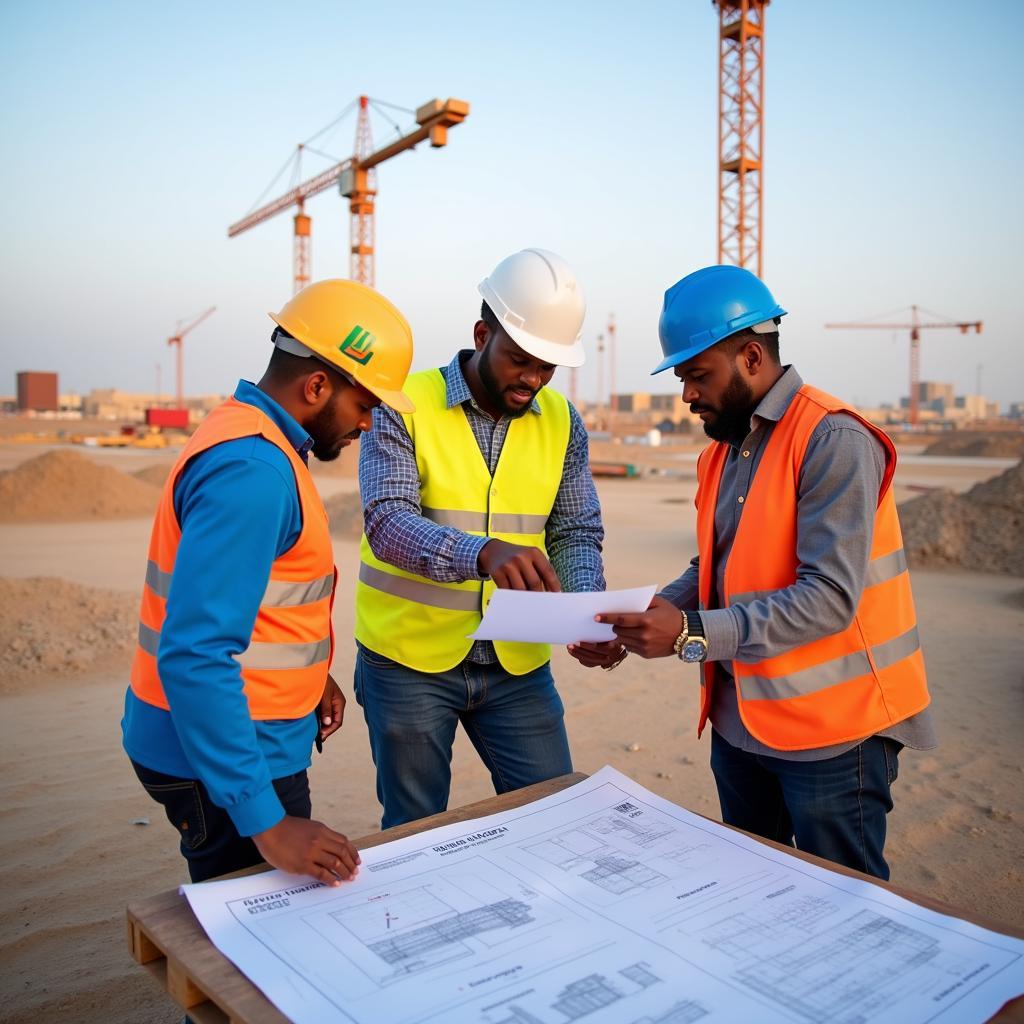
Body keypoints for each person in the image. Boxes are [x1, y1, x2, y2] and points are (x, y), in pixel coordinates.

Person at [598, 264, 936, 880]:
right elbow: (716, 565)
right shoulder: (719, 453)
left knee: (846, 911)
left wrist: (687, 632)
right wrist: (639, 616)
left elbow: (830, 598)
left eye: (697, 376)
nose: (687, 396)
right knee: (754, 897)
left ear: (751, 355)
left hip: (835, 735)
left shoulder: (832, 439)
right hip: (741, 725)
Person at [121, 279, 415, 885]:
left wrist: (309, 678)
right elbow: (196, 652)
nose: (367, 424)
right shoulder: (254, 473)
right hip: (223, 756)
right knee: (249, 944)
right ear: (316, 385)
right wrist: (267, 823)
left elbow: (254, 609)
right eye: (365, 405)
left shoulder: (254, 436)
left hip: (223, 735)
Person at [354, 247, 622, 828]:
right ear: (482, 334)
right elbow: (386, 522)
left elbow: (575, 530)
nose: (534, 380)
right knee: (414, 830)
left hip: (516, 665)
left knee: (557, 816)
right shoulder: (403, 405)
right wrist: (479, 553)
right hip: (409, 663)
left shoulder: (563, 420)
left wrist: (587, 613)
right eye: (521, 360)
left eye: (548, 367)